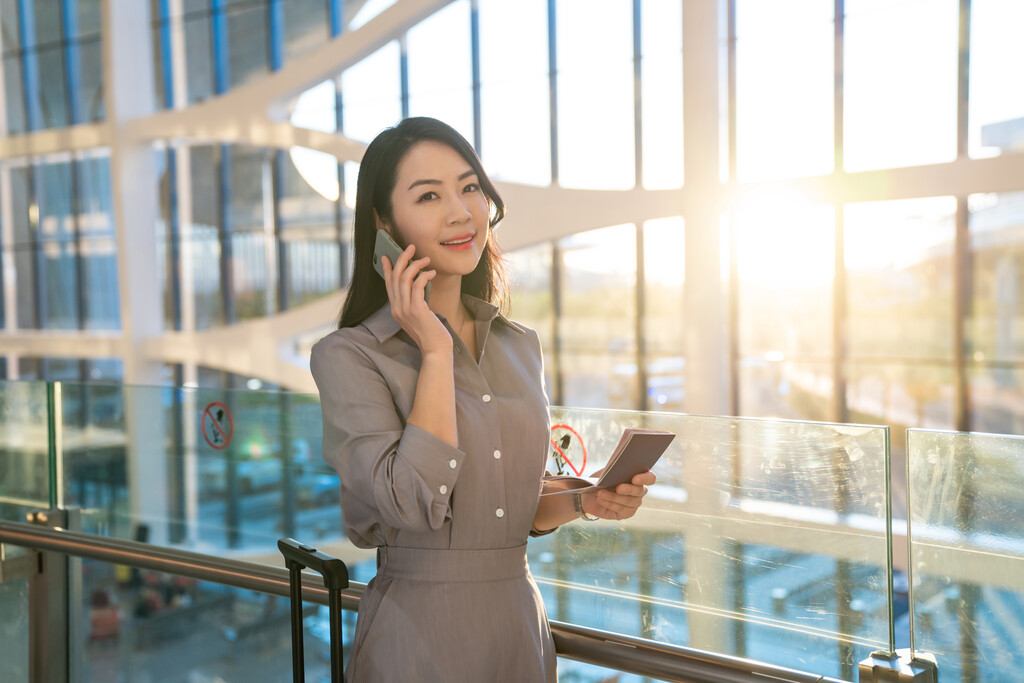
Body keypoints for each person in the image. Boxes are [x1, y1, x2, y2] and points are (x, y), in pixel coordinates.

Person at [310, 116, 656, 682]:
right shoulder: (350, 356)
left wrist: (583, 502)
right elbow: (413, 504)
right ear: (383, 223)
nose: (461, 211)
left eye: (469, 187)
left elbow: (506, 513)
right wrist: (435, 349)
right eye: (428, 195)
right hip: (418, 635)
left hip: (517, 626)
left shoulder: (520, 346)